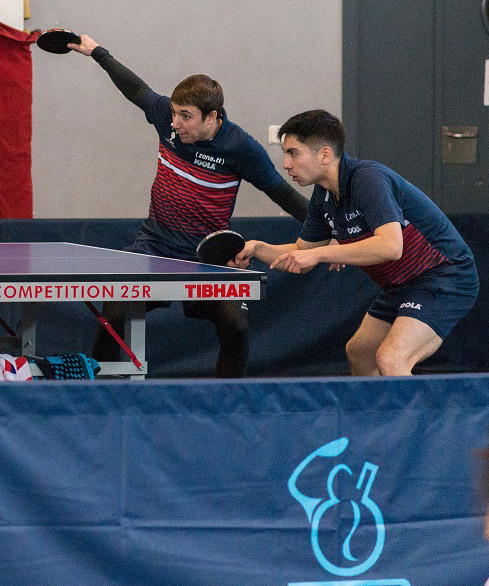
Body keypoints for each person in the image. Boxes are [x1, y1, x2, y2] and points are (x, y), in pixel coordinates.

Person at [69, 34, 310, 377]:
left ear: (212, 117)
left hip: (207, 255)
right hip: (155, 246)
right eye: (173, 114)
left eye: (185, 116)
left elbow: (281, 193)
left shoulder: (241, 148)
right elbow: (136, 89)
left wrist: (327, 234)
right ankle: (91, 394)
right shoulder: (168, 122)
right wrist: (96, 52)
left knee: (235, 326)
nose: (175, 123)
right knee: (114, 314)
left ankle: (227, 399)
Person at [235, 110, 477, 376]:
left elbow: (390, 247)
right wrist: (258, 249)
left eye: (293, 153)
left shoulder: (368, 180)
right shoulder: (323, 195)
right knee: (360, 353)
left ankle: (414, 419)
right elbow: (302, 254)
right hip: (401, 285)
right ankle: (374, 418)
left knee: (391, 359)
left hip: (444, 276)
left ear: (325, 154)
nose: (286, 164)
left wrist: (324, 254)